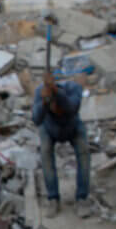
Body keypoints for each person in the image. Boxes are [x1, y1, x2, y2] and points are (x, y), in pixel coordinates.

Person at [31, 71, 92, 218]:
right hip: (49, 128)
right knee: (45, 155)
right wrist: (44, 101)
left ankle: (82, 198)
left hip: (72, 126)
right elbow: (36, 119)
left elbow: (72, 108)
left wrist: (56, 93)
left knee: (84, 154)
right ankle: (53, 198)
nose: (55, 110)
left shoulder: (73, 88)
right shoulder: (40, 91)